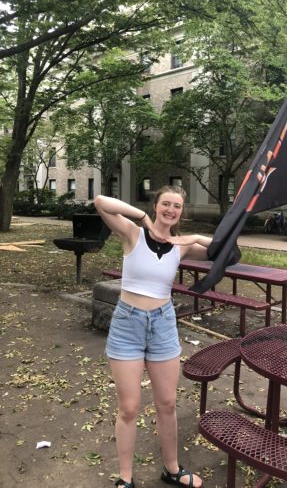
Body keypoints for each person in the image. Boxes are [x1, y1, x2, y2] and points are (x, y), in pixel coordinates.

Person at [95, 186, 210, 488]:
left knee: (167, 403)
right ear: (156, 206)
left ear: (181, 212)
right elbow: (101, 203)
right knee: (129, 407)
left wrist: (193, 239)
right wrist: (143, 217)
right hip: (127, 325)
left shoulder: (181, 245)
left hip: (162, 324)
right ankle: (125, 478)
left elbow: (226, 250)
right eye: (166, 204)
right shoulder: (133, 233)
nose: (171, 210)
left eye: (177, 206)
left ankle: (171, 469)